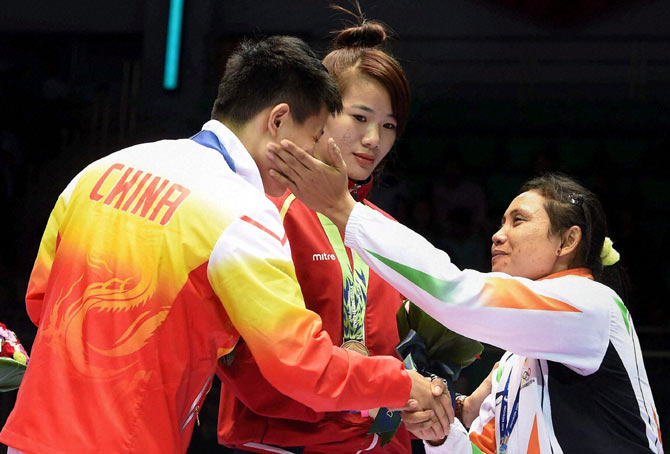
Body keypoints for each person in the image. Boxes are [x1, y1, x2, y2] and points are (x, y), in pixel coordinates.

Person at [0, 36, 450, 454]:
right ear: (277, 121)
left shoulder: (99, 171)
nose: (313, 156)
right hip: (129, 440)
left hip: (30, 435)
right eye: (313, 138)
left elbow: (41, 301)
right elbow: (302, 367)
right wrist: (399, 384)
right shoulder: (243, 214)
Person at [264, 136, 665, 453]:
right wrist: (441, 432)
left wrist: (344, 210)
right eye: (500, 221)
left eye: (518, 221)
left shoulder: (590, 306)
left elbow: (457, 296)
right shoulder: (512, 366)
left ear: (567, 241)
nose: (498, 234)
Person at [216, 11, 419, 454]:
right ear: (322, 114)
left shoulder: (387, 233)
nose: (374, 140)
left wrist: (424, 402)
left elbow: (402, 358)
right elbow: (244, 360)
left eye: (388, 125)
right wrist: (355, 402)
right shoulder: (265, 214)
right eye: (360, 117)